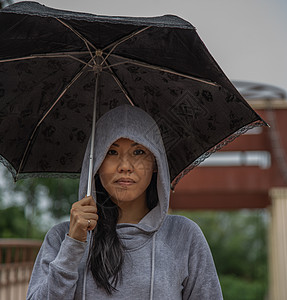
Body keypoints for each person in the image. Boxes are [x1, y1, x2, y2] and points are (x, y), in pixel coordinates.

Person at [27, 105, 223, 299]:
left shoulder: (184, 236)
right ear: (95, 163)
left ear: (156, 163)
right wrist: (73, 245)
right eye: (112, 152)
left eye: (138, 152)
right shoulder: (61, 237)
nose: (125, 166)